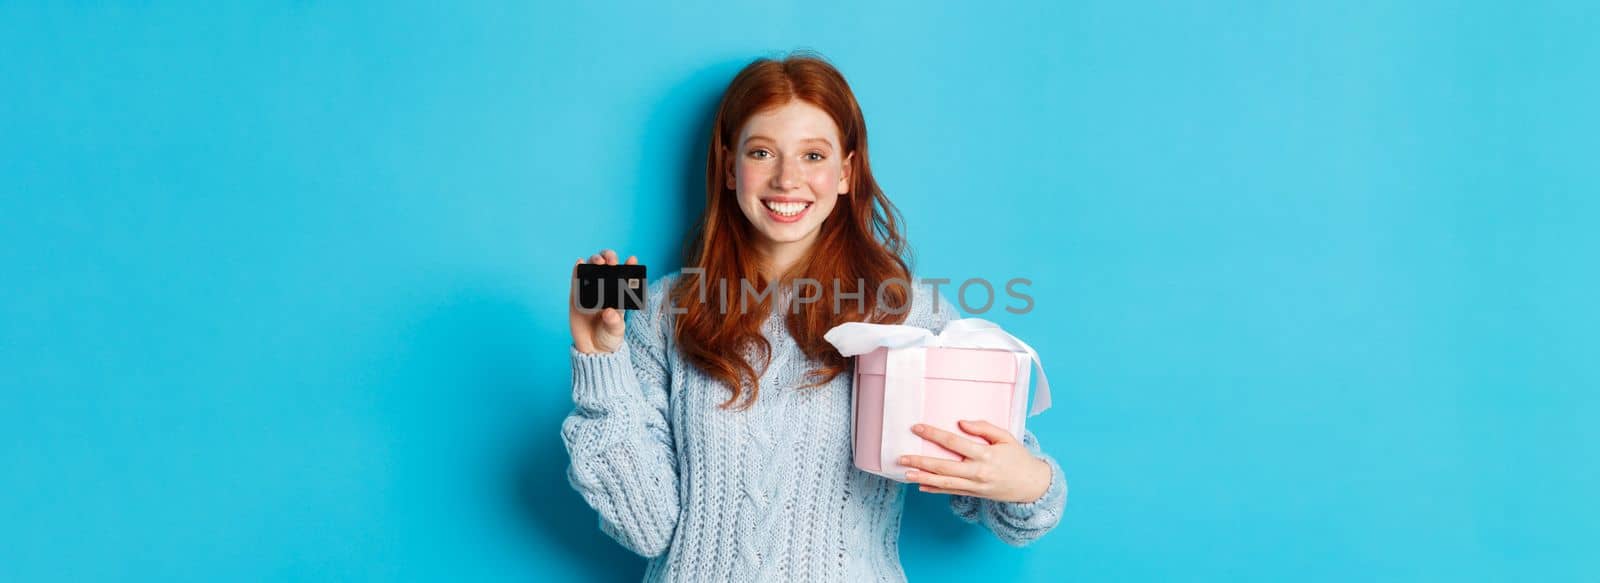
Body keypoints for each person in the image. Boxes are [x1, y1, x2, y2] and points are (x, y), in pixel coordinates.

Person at [562, 51, 1067, 582]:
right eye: (762, 152)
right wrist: (599, 360)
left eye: (813, 156)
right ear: (729, 167)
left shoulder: (909, 312)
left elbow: (1017, 515)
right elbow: (646, 528)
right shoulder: (660, 308)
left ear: (846, 173)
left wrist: (1029, 482)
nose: (786, 179)